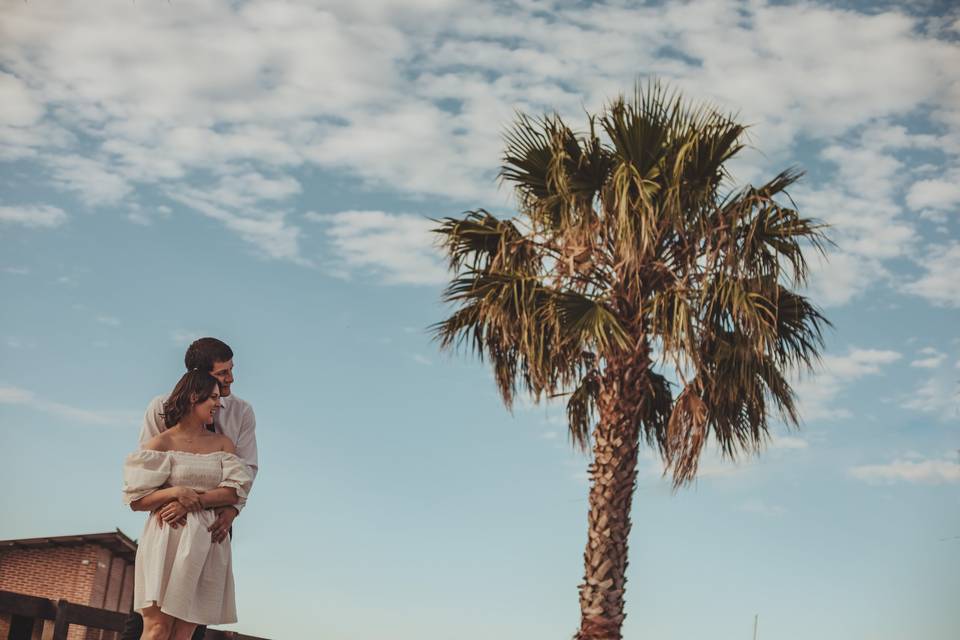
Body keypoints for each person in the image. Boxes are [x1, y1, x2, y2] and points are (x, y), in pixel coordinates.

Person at [121, 338, 259, 640]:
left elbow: (246, 471)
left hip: (215, 524)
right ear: (198, 378)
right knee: (147, 624)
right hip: (168, 525)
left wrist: (227, 510)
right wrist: (175, 495)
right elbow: (149, 472)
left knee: (192, 626)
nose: (231, 379)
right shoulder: (160, 408)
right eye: (223, 373)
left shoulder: (241, 413)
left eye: (231, 370)